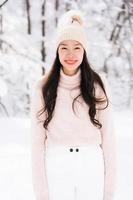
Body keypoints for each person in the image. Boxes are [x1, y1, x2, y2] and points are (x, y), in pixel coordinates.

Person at [30, 9, 117, 200]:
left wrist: (108, 191)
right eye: (64, 47)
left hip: (91, 165)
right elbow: (37, 144)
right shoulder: (43, 88)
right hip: (56, 166)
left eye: (77, 47)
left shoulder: (98, 85)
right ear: (57, 51)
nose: (71, 54)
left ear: (84, 50)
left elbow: (108, 139)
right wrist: (41, 193)